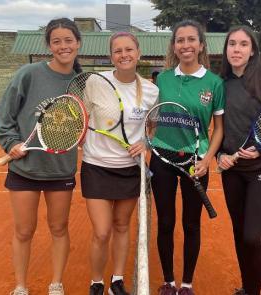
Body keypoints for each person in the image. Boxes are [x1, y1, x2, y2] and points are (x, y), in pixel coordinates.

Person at [0, 18, 82, 295]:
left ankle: (56, 284)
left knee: (59, 227)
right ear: (49, 45)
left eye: (68, 40)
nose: (63, 46)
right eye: (57, 41)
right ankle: (21, 287)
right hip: (24, 169)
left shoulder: (81, 84)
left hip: (60, 169)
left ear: (78, 43)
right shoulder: (29, 74)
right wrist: (10, 143)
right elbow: (4, 115)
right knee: (23, 231)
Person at [80, 32, 159, 295]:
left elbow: (152, 127)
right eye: (117, 51)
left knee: (122, 226)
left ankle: (116, 280)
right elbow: (84, 115)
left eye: (129, 49)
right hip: (96, 165)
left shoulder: (151, 90)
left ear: (138, 53)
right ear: (111, 55)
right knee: (102, 231)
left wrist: (146, 143)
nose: (123, 55)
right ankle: (96, 282)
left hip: (129, 169)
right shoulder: (95, 81)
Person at [150, 20, 225, 295]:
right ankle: (169, 282)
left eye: (191, 39)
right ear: (174, 46)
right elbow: (154, 116)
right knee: (166, 222)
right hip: (162, 157)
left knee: (192, 223)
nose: (186, 45)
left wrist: (207, 160)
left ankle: (186, 284)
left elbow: (219, 129)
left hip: (196, 160)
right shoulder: (164, 78)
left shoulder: (214, 83)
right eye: (180, 40)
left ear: (201, 44)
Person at [217, 26, 261, 295]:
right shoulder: (220, 83)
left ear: (252, 50)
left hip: (260, 169)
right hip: (231, 171)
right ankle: (247, 288)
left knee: (251, 237)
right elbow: (219, 127)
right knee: (239, 235)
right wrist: (220, 155)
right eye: (232, 44)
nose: (237, 49)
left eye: (243, 44)